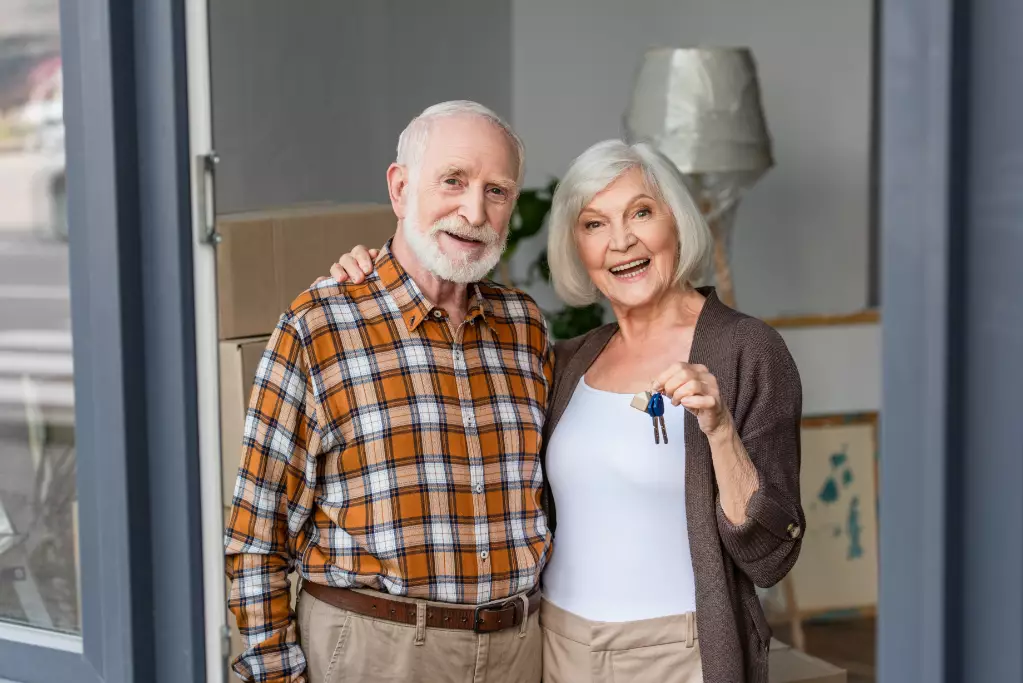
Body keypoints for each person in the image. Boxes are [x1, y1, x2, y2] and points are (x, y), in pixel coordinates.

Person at [328, 139, 804, 683]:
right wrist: (376, 271)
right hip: (557, 649)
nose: (621, 242)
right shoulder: (568, 358)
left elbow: (771, 555)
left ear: (677, 222)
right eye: (594, 224)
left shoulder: (747, 352)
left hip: (679, 653)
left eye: (641, 213)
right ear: (576, 247)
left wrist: (719, 431)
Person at [224, 101, 554, 683]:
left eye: (497, 191)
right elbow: (257, 537)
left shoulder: (525, 327)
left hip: (519, 650)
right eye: (453, 180)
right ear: (401, 189)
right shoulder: (318, 326)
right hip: (376, 652)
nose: (474, 210)